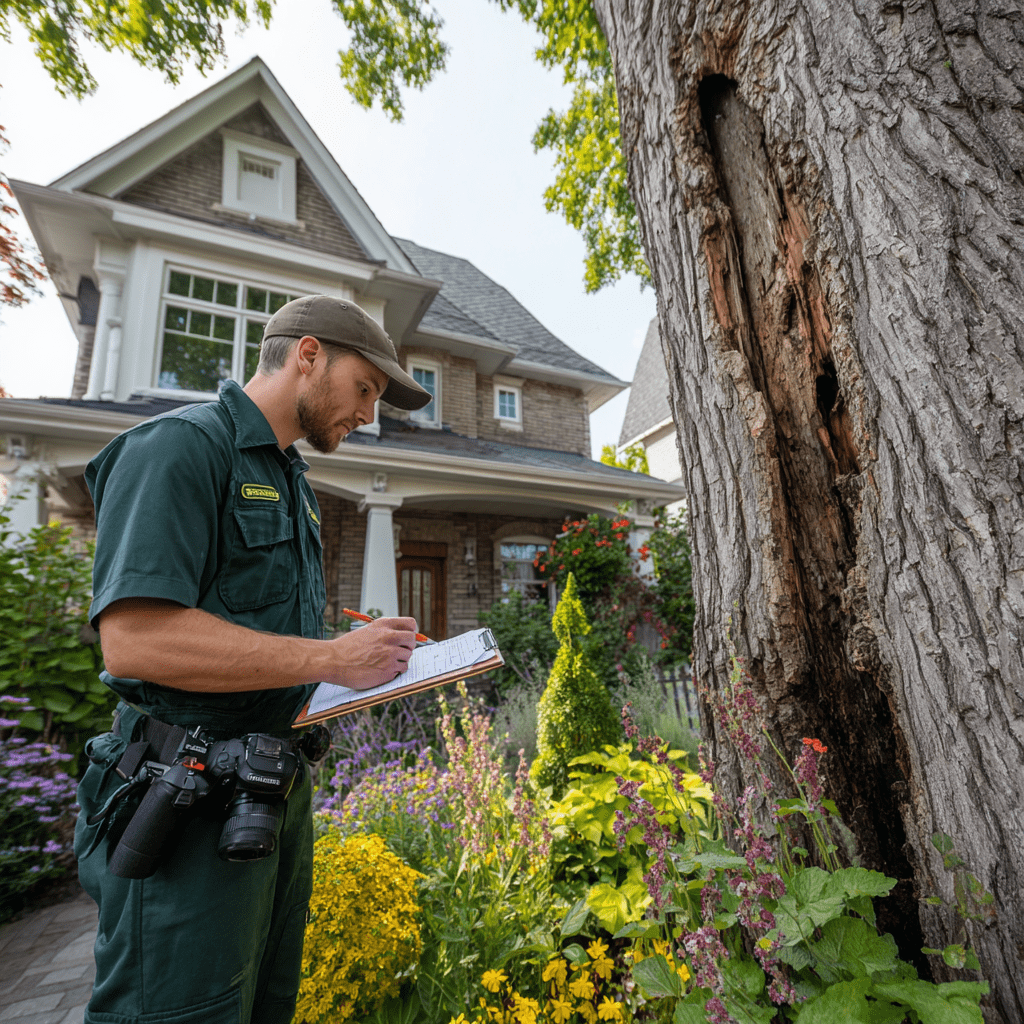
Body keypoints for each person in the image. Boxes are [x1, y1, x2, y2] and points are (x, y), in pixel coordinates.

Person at [74, 295, 432, 1024]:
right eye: (365, 388)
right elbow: (135, 639)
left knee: (264, 1004)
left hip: (267, 797)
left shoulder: (292, 480)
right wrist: (332, 655)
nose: (369, 413)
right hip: (187, 804)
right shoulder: (178, 447)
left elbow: (255, 630)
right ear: (308, 355)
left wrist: (363, 657)